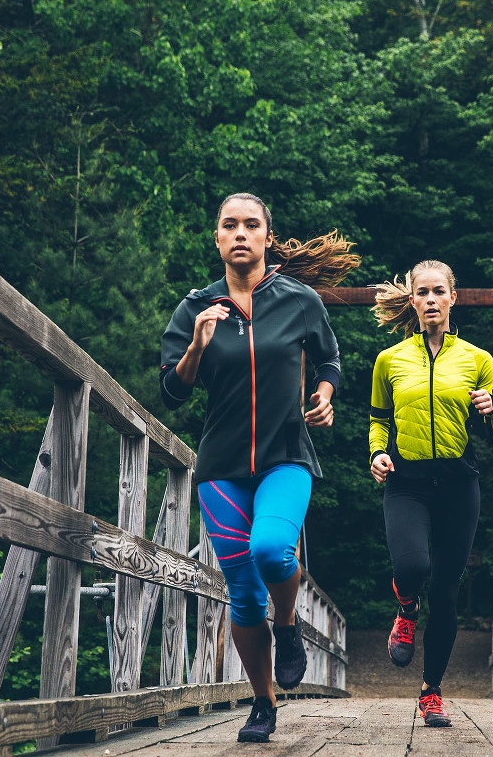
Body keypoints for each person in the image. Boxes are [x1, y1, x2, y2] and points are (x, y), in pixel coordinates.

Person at [159, 192, 359, 744]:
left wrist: (323, 392)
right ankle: (263, 701)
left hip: (286, 455)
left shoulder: (298, 300)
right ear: (217, 239)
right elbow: (171, 392)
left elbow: (331, 359)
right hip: (221, 468)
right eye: (230, 225)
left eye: (252, 225)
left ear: (268, 237)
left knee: (271, 549)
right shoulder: (193, 309)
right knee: (243, 594)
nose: (241, 233)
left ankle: (289, 625)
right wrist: (197, 344)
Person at [368, 260, 493, 727]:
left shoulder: (478, 359)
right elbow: (378, 420)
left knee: (447, 593)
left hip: (457, 484)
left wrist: (490, 410)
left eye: (438, 292)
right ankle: (406, 607)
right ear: (411, 300)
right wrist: (377, 453)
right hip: (406, 483)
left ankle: (431, 691)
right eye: (421, 292)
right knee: (412, 566)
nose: (430, 300)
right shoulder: (389, 360)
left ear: (454, 297)